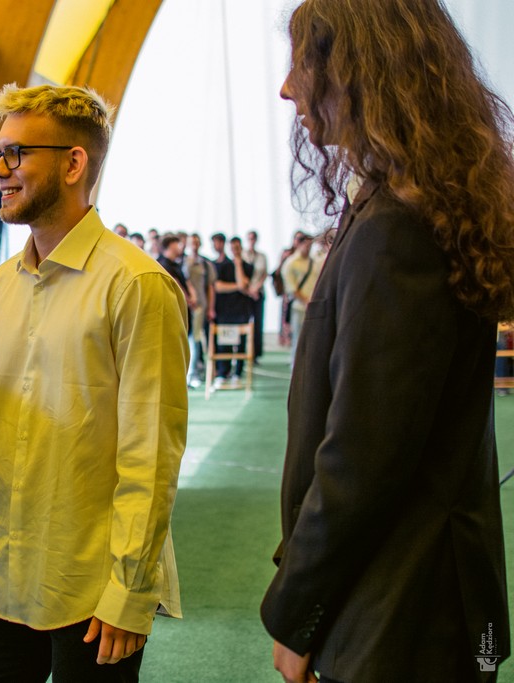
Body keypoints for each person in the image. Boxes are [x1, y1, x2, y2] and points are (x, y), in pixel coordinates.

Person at [262, 1, 514, 681]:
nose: (287, 87)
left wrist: (297, 612)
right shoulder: (409, 204)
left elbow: (362, 460)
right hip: (415, 610)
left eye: (304, 63)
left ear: (358, 70)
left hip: (401, 618)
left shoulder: (399, 227)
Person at [0, 83, 188, 682]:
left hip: (91, 585)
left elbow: (150, 456)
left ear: (73, 163)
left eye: (16, 154)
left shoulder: (136, 285)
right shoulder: (2, 284)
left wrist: (131, 589)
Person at [211, 234, 253, 386]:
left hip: (241, 311)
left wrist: (238, 264)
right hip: (224, 310)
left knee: (241, 343)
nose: (235, 250)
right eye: (233, 248)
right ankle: (223, 372)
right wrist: (238, 287)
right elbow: (218, 286)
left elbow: (244, 284)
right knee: (224, 343)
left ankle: (238, 373)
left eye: (237, 248)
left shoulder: (247, 266)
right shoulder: (222, 265)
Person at [279, 233, 320, 366]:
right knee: (298, 340)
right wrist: (305, 300)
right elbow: (291, 288)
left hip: (314, 307)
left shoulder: (314, 262)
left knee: (313, 341)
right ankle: (295, 370)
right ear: (299, 244)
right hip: (298, 306)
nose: (308, 248)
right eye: (306, 245)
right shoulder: (291, 263)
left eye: (310, 245)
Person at [184, 233, 216, 387]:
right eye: (192, 242)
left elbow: (210, 287)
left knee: (195, 339)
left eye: (197, 242)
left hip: (199, 307)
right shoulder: (182, 262)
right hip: (186, 306)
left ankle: (193, 373)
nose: (194, 245)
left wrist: (211, 308)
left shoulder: (205, 264)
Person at [243, 230, 268, 361]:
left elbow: (264, 274)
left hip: (258, 293)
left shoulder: (262, 256)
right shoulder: (243, 255)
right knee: (245, 323)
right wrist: (249, 290)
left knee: (258, 324)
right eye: (250, 238)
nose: (251, 241)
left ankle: (255, 354)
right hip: (246, 294)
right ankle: (244, 352)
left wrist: (256, 289)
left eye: (253, 238)